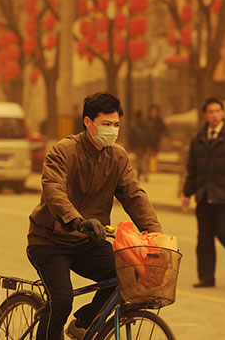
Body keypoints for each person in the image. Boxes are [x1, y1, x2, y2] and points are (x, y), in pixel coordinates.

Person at [26, 92, 162, 340]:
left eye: (116, 125)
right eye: (106, 124)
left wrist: (154, 233)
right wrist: (76, 220)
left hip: (87, 242)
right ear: (88, 122)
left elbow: (134, 195)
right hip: (49, 241)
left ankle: (83, 323)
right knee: (61, 300)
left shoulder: (118, 156)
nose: (112, 130)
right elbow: (54, 190)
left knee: (125, 276)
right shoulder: (63, 151)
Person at [181, 97, 225, 288]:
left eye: (218, 111)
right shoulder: (198, 138)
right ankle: (206, 277)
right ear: (205, 115)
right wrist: (187, 193)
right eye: (211, 112)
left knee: (224, 231)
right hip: (204, 194)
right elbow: (192, 168)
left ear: (223, 113)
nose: (214, 115)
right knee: (204, 237)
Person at [127, 110, 151, 181]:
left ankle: (139, 174)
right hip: (144, 145)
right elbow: (148, 135)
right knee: (143, 159)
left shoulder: (133, 125)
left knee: (138, 160)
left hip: (136, 145)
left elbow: (130, 136)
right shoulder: (145, 124)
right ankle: (145, 175)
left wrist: (130, 145)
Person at [146, 104, 167, 173]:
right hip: (148, 140)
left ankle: (154, 168)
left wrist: (164, 136)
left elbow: (164, 129)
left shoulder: (159, 120)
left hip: (156, 140)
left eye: (155, 111)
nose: (154, 112)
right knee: (149, 154)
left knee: (155, 154)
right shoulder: (148, 120)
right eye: (153, 111)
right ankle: (149, 168)